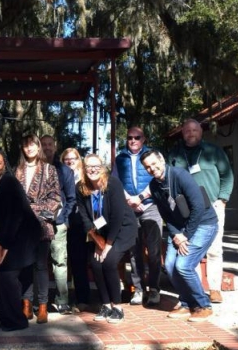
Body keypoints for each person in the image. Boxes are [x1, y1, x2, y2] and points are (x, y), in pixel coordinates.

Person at [140, 149, 219, 322]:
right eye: (147, 167)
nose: (152, 169)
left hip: (204, 224)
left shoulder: (179, 175)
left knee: (183, 265)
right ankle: (186, 303)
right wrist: (177, 234)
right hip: (179, 229)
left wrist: (185, 236)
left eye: (154, 163)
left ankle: (203, 305)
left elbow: (198, 207)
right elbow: (166, 215)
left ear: (162, 160)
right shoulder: (154, 186)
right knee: (169, 266)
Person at [168, 119, 234, 304]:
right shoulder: (175, 155)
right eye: (187, 130)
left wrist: (223, 198)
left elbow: (227, 175)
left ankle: (214, 288)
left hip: (212, 205)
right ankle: (195, 288)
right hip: (185, 209)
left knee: (214, 249)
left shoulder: (214, 152)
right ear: (183, 133)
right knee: (191, 250)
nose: (191, 133)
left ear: (201, 132)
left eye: (195, 130)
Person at [0, 149, 42, 332]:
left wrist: (4, 245)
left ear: (4, 165)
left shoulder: (9, 182)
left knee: (7, 276)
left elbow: (14, 217)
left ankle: (16, 321)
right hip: (5, 237)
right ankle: (4, 315)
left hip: (22, 238)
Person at [76, 154, 137, 324]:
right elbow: (85, 217)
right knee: (95, 263)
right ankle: (105, 305)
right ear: (84, 168)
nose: (93, 169)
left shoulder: (113, 184)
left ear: (102, 167)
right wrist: (98, 242)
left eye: (96, 166)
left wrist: (108, 244)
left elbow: (117, 216)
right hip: (100, 232)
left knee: (109, 262)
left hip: (123, 228)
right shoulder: (81, 187)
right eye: (89, 166)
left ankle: (117, 307)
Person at [112, 126, 162, 306]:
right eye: (130, 138)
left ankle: (154, 289)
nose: (133, 140)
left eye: (137, 137)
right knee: (134, 252)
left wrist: (140, 198)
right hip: (130, 209)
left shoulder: (152, 155)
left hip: (150, 206)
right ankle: (139, 290)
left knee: (154, 251)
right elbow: (116, 182)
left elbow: (158, 177)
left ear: (144, 139)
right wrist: (130, 200)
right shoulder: (120, 158)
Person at [14, 133, 61, 324]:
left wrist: (33, 210)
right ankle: (26, 305)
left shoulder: (49, 170)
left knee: (41, 266)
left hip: (42, 224)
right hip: (22, 226)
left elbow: (55, 198)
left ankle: (42, 306)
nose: (29, 148)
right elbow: (14, 199)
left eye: (32, 144)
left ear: (38, 146)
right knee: (25, 265)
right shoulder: (17, 170)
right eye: (25, 145)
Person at [39, 135, 76, 315]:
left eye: (50, 144)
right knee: (38, 263)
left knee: (60, 262)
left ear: (55, 146)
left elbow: (71, 199)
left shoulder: (65, 171)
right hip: (37, 224)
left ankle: (62, 300)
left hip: (58, 224)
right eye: (43, 144)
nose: (47, 147)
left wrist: (65, 219)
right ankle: (39, 300)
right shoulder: (33, 169)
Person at [61, 147, 92, 312]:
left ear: (79, 160)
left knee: (86, 262)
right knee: (70, 262)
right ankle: (73, 298)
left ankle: (88, 297)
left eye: (73, 158)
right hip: (67, 223)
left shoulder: (86, 176)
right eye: (67, 159)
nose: (70, 161)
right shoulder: (60, 175)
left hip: (85, 224)